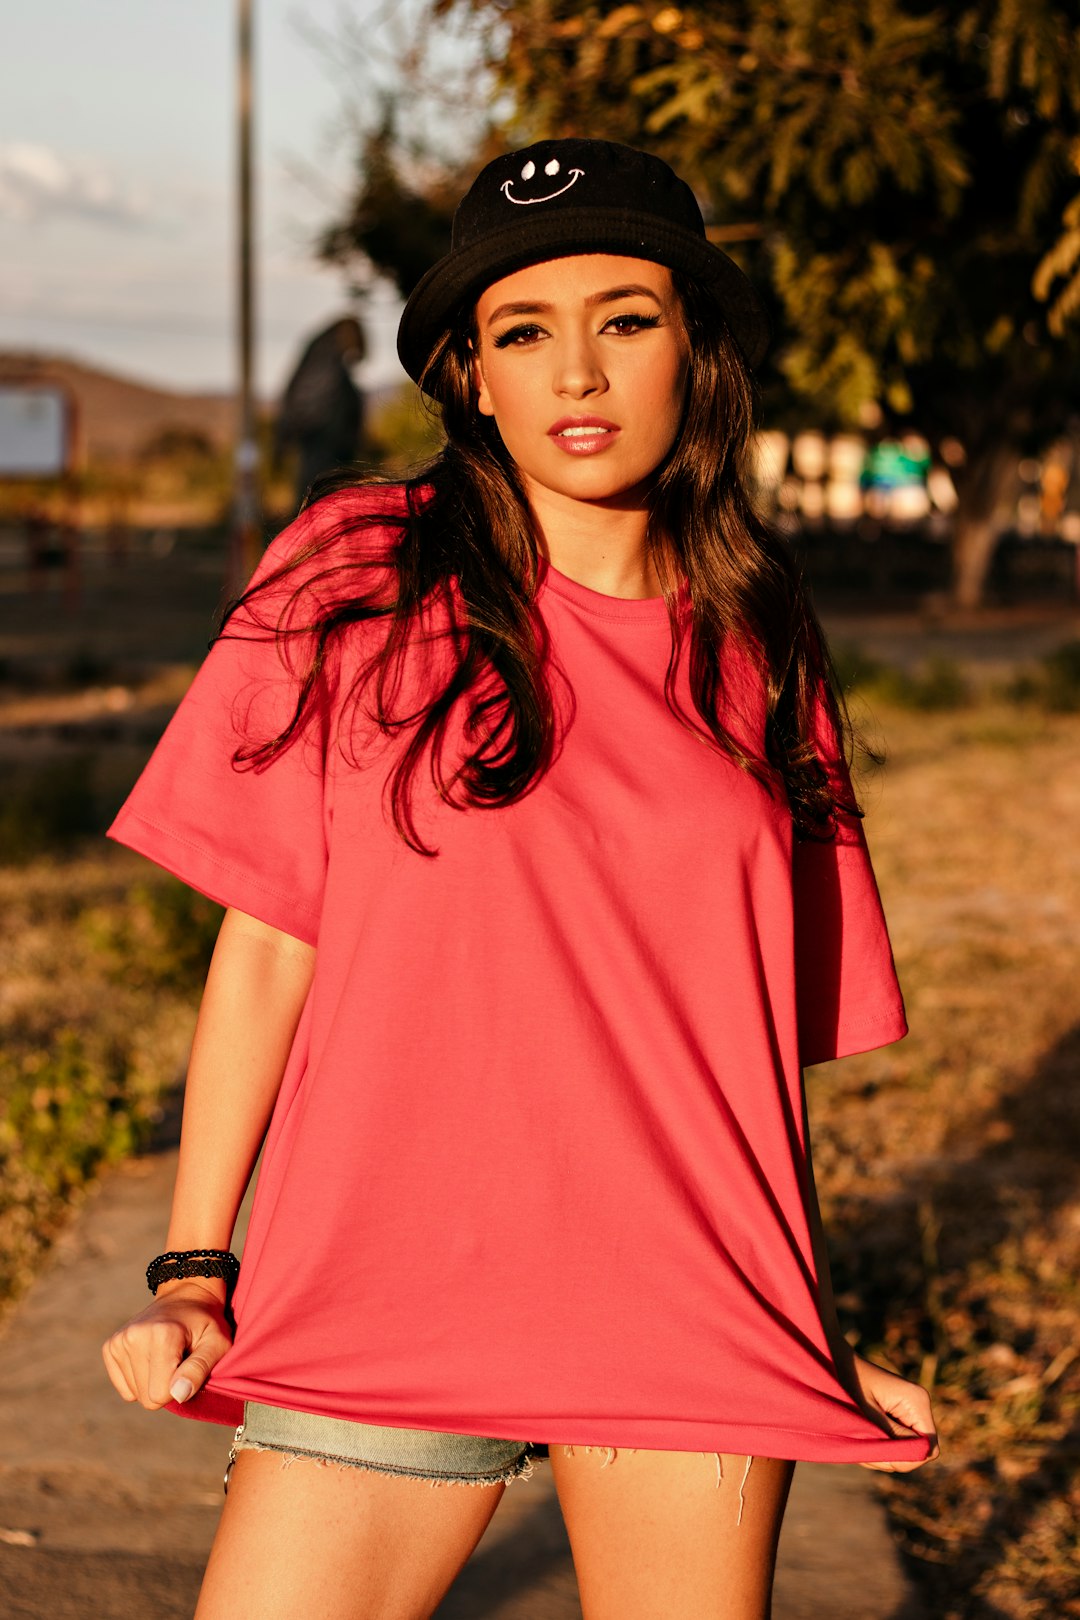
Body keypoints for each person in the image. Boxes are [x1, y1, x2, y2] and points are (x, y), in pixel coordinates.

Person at [101, 139, 938, 1620]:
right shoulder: (358, 568)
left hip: (691, 1301)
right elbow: (267, 946)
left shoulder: (761, 635)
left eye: (625, 319)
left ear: (697, 345)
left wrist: (802, 1316)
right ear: (472, 376)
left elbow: (751, 1050)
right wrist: (193, 1263)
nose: (579, 374)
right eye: (524, 332)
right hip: (385, 1277)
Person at [274, 314, 367, 509]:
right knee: (320, 488)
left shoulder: (319, 352)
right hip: (322, 431)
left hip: (313, 429)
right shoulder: (329, 361)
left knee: (311, 487)